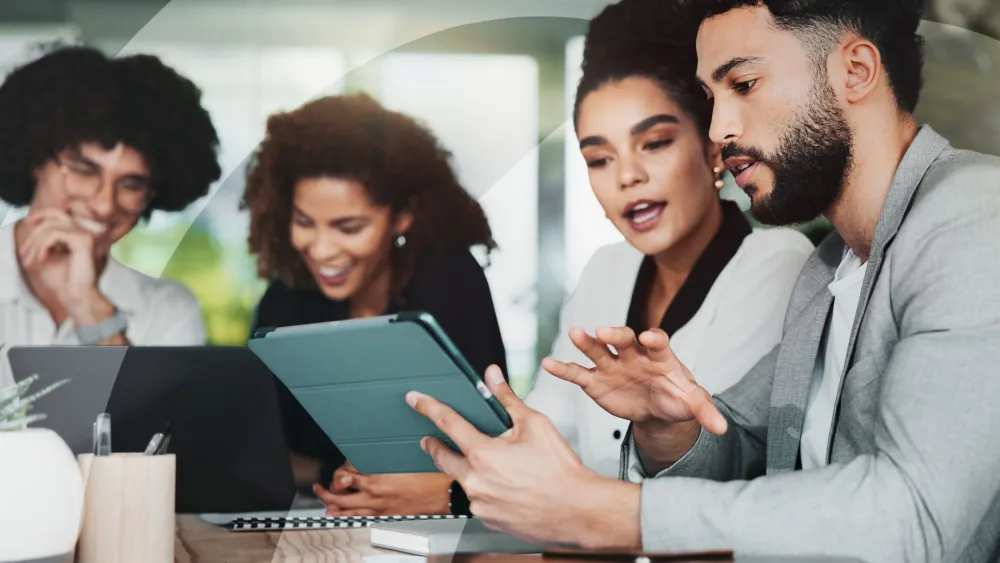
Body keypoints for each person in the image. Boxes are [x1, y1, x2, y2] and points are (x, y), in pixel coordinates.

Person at [404, 0, 1000, 560]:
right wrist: (670, 426)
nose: (717, 129)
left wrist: (613, 513)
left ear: (856, 70)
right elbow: (739, 443)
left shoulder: (974, 215)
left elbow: (917, 513)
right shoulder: (829, 270)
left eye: (743, 85)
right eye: (712, 96)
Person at [522, 0, 813, 478]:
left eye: (654, 143)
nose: (627, 176)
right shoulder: (605, 269)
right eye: (600, 158)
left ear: (711, 146)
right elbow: (549, 432)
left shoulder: (778, 262)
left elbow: (724, 460)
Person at [243, 93, 507, 517]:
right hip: (326, 519)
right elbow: (265, 450)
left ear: (402, 216)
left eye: (349, 227)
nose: (323, 249)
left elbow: (493, 437)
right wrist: (343, 477)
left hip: (451, 522)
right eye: (304, 222)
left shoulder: (449, 279)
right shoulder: (285, 302)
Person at [0, 45, 221, 388]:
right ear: (34, 161)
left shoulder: (167, 310)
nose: (104, 205)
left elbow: (164, 432)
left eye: (131, 183)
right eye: (84, 170)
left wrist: (89, 308)